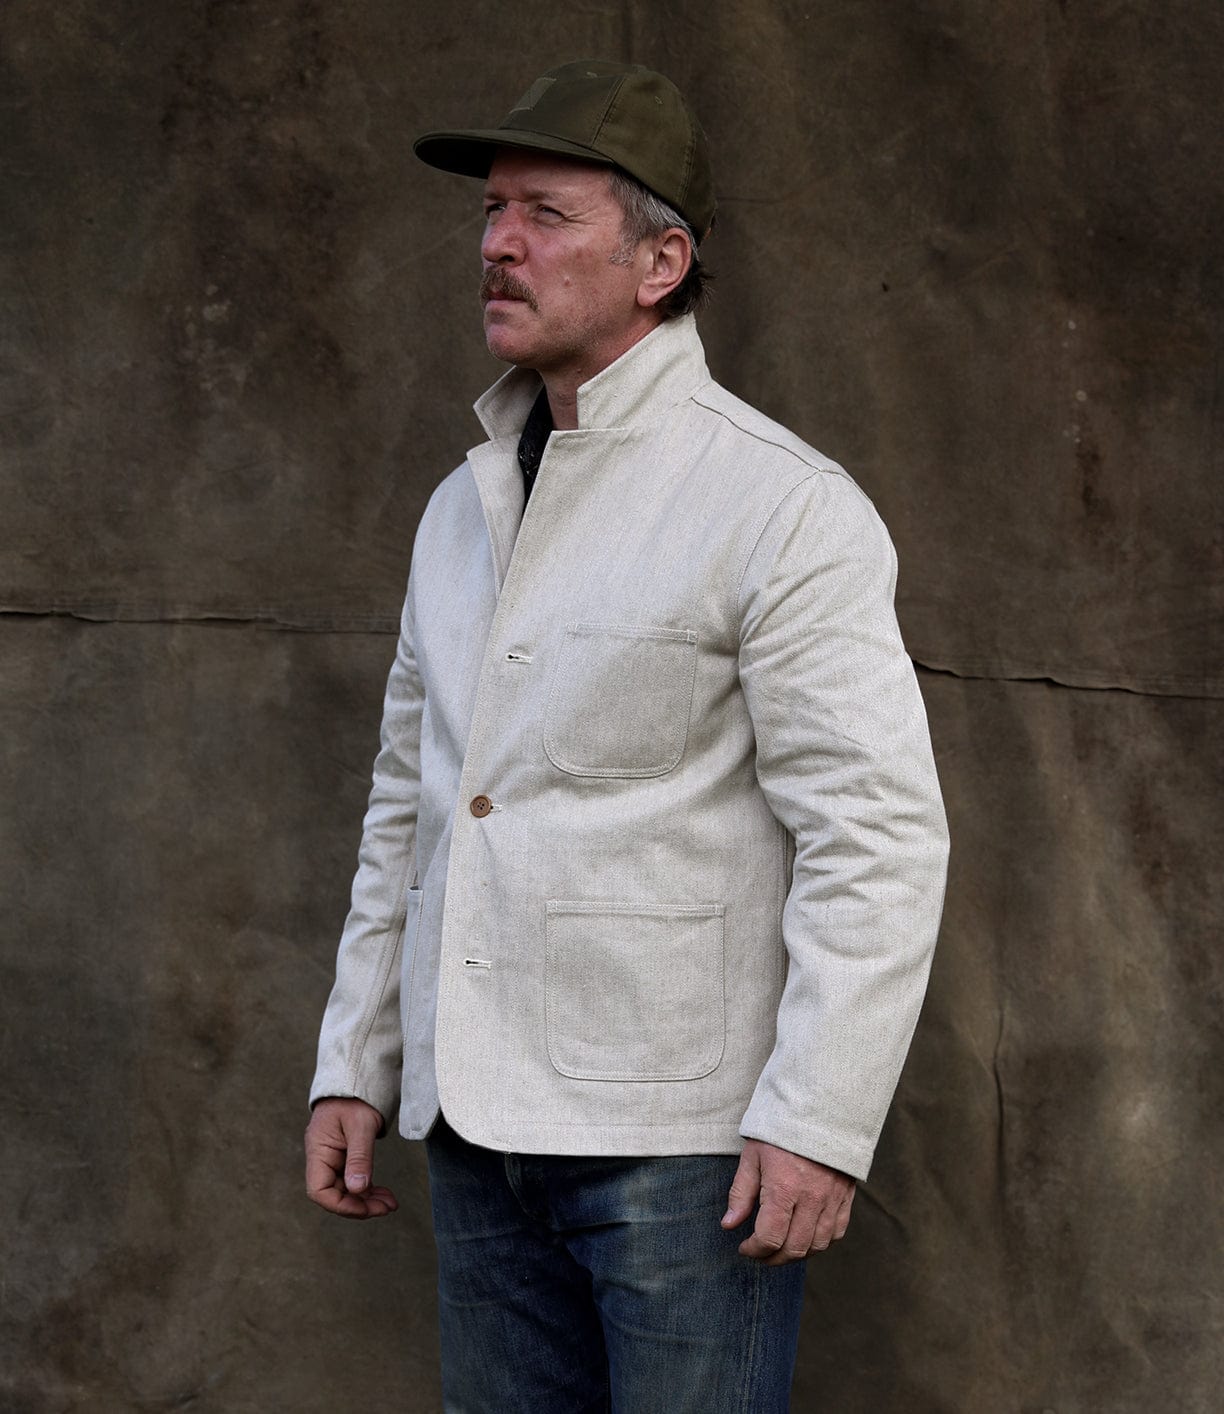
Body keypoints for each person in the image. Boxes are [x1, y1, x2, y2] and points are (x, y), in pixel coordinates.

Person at [305, 59, 949, 1412]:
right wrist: (355, 1061)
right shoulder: (458, 509)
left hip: (683, 1154)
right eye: (490, 214)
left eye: (544, 212)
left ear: (661, 263)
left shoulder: (780, 507)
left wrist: (817, 1119)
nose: (496, 242)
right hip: (476, 1133)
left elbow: (876, 835)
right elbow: (408, 811)